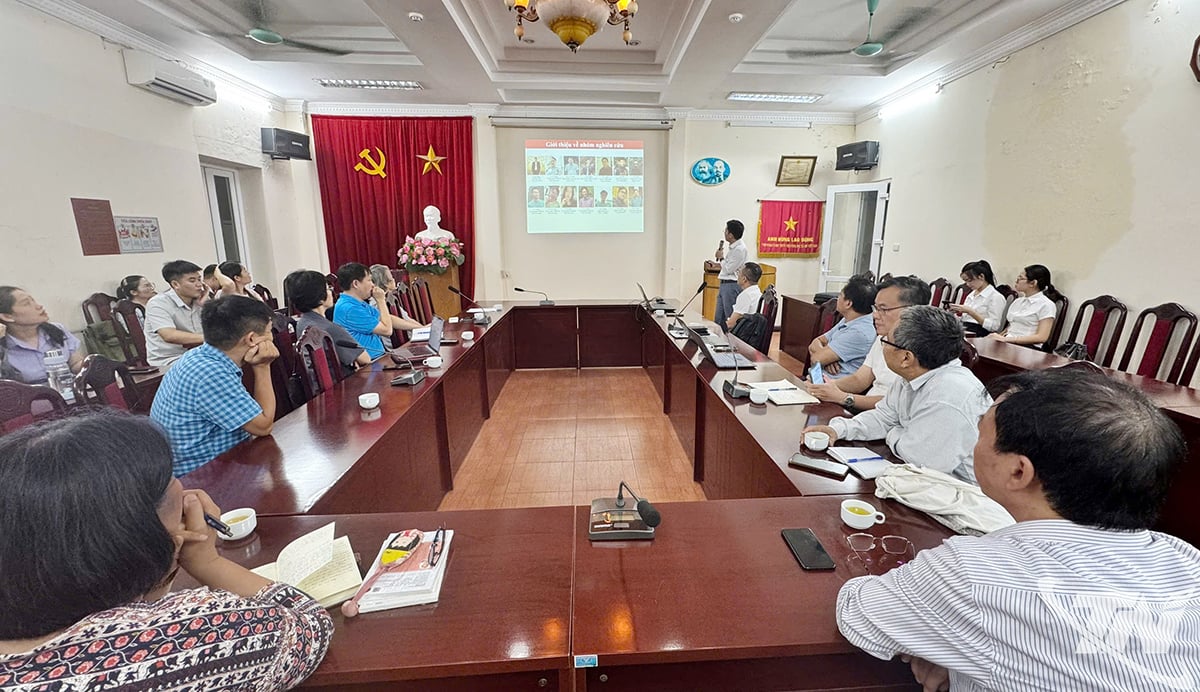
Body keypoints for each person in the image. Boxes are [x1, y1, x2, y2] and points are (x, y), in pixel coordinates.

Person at [836, 368, 1200, 691]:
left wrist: (941, 641)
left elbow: (856, 611)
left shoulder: (973, 574)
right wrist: (956, 650)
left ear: (1018, 472)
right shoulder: (1188, 562)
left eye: (980, 433)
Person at [0, 411, 333, 689]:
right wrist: (208, 562)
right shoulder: (173, 638)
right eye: (176, 491)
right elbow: (308, 627)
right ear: (135, 535)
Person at [803, 306, 990, 482]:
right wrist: (838, 429)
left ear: (906, 358)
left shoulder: (949, 396)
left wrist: (894, 431)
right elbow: (884, 416)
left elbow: (918, 461)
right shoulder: (914, 374)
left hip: (957, 495)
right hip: (913, 478)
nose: (881, 345)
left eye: (885, 341)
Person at [150, 296, 278, 476]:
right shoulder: (210, 373)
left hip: (221, 461)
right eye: (269, 331)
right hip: (202, 476)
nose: (272, 338)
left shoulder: (201, 355)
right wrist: (262, 366)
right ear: (251, 339)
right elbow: (263, 427)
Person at [806, 275, 931, 411]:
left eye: (884, 309)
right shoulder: (882, 338)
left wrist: (843, 397)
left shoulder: (923, 350)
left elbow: (897, 402)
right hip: (867, 411)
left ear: (911, 310)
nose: (875, 315)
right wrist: (826, 386)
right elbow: (860, 380)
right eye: (875, 308)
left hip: (882, 414)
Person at [287, 269, 371, 374]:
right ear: (320, 298)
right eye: (328, 288)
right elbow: (365, 359)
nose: (331, 291)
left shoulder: (302, 322)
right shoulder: (329, 328)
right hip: (342, 385)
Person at [0, 286, 84, 384]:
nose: (39, 306)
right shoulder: (3, 346)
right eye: (26, 303)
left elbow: (75, 363)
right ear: (7, 316)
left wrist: (89, 366)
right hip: (29, 397)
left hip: (69, 390)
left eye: (33, 301)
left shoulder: (56, 330)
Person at [144, 260, 215, 370]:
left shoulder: (200, 300)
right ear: (175, 284)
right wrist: (213, 338)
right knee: (215, 367)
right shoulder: (158, 303)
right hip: (169, 360)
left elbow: (218, 327)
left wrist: (206, 306)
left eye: (199, 279)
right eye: (192, 281)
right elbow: (169, 335)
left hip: (199, 354)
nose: (199, 285)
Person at [807, 277, 877, 378]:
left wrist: (822, 358)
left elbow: (815, 359)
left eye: (840, 295)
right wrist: (827, 360)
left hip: (832, 387)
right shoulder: (850, 319)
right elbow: (816, 341)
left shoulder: (859, 332)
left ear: (848, 303)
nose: (837, 299)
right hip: (818, 380)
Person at [331, 262, 391, 359]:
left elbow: (382, 319)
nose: (373, 285)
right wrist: (381, 300)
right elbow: (387, 330)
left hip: (379, 357)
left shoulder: (358, 303)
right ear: (356, 284)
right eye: (369, 280)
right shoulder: (349, 308)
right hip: (370, 363)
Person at [990, 264, 1058, 347]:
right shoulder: (1018, 301)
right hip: (1008, 341)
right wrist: (997, 337)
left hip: (1027, 347)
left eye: (1021, 278)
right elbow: (1012, 326)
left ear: (1033, 283)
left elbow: (1041, 337)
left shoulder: (1046, 305)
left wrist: (1007, 340)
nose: (1016, 280)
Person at [948, 260, 1005, 336]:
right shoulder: (971, 295)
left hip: (980, 333)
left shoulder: (996, 297)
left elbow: (994, 327)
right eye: (965, 281)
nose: (967, 284)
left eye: (969, 280)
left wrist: (971, 312)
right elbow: (965, 318)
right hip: (964, 328)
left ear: (981, 276)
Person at [713, 219, 748, 332]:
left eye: (726, 230)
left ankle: (733, 344)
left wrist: (721, 257)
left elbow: (728, 269)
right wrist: (717, 264)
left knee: (730, 319)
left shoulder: (740, 249)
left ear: (731, 235)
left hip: (731, 286)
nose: (724, 232)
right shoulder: (734, 248)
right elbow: (727, 266)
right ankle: (718, 343)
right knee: (719, 319)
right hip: (725, 285)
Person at [368, 264, 424, 333]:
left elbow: (407, 319)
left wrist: (423, 329)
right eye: (391, 277)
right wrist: (423, 329)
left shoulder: (390, 298)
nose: (394, 279)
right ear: (386, 283)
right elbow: (399, 321)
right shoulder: (379, 303)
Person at [726, 262, 763, 330]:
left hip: (742, 336)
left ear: (744, 279)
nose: (737, 276)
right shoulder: (757, 292)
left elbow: (731, 324)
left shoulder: (745, 295)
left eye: (739, 273)